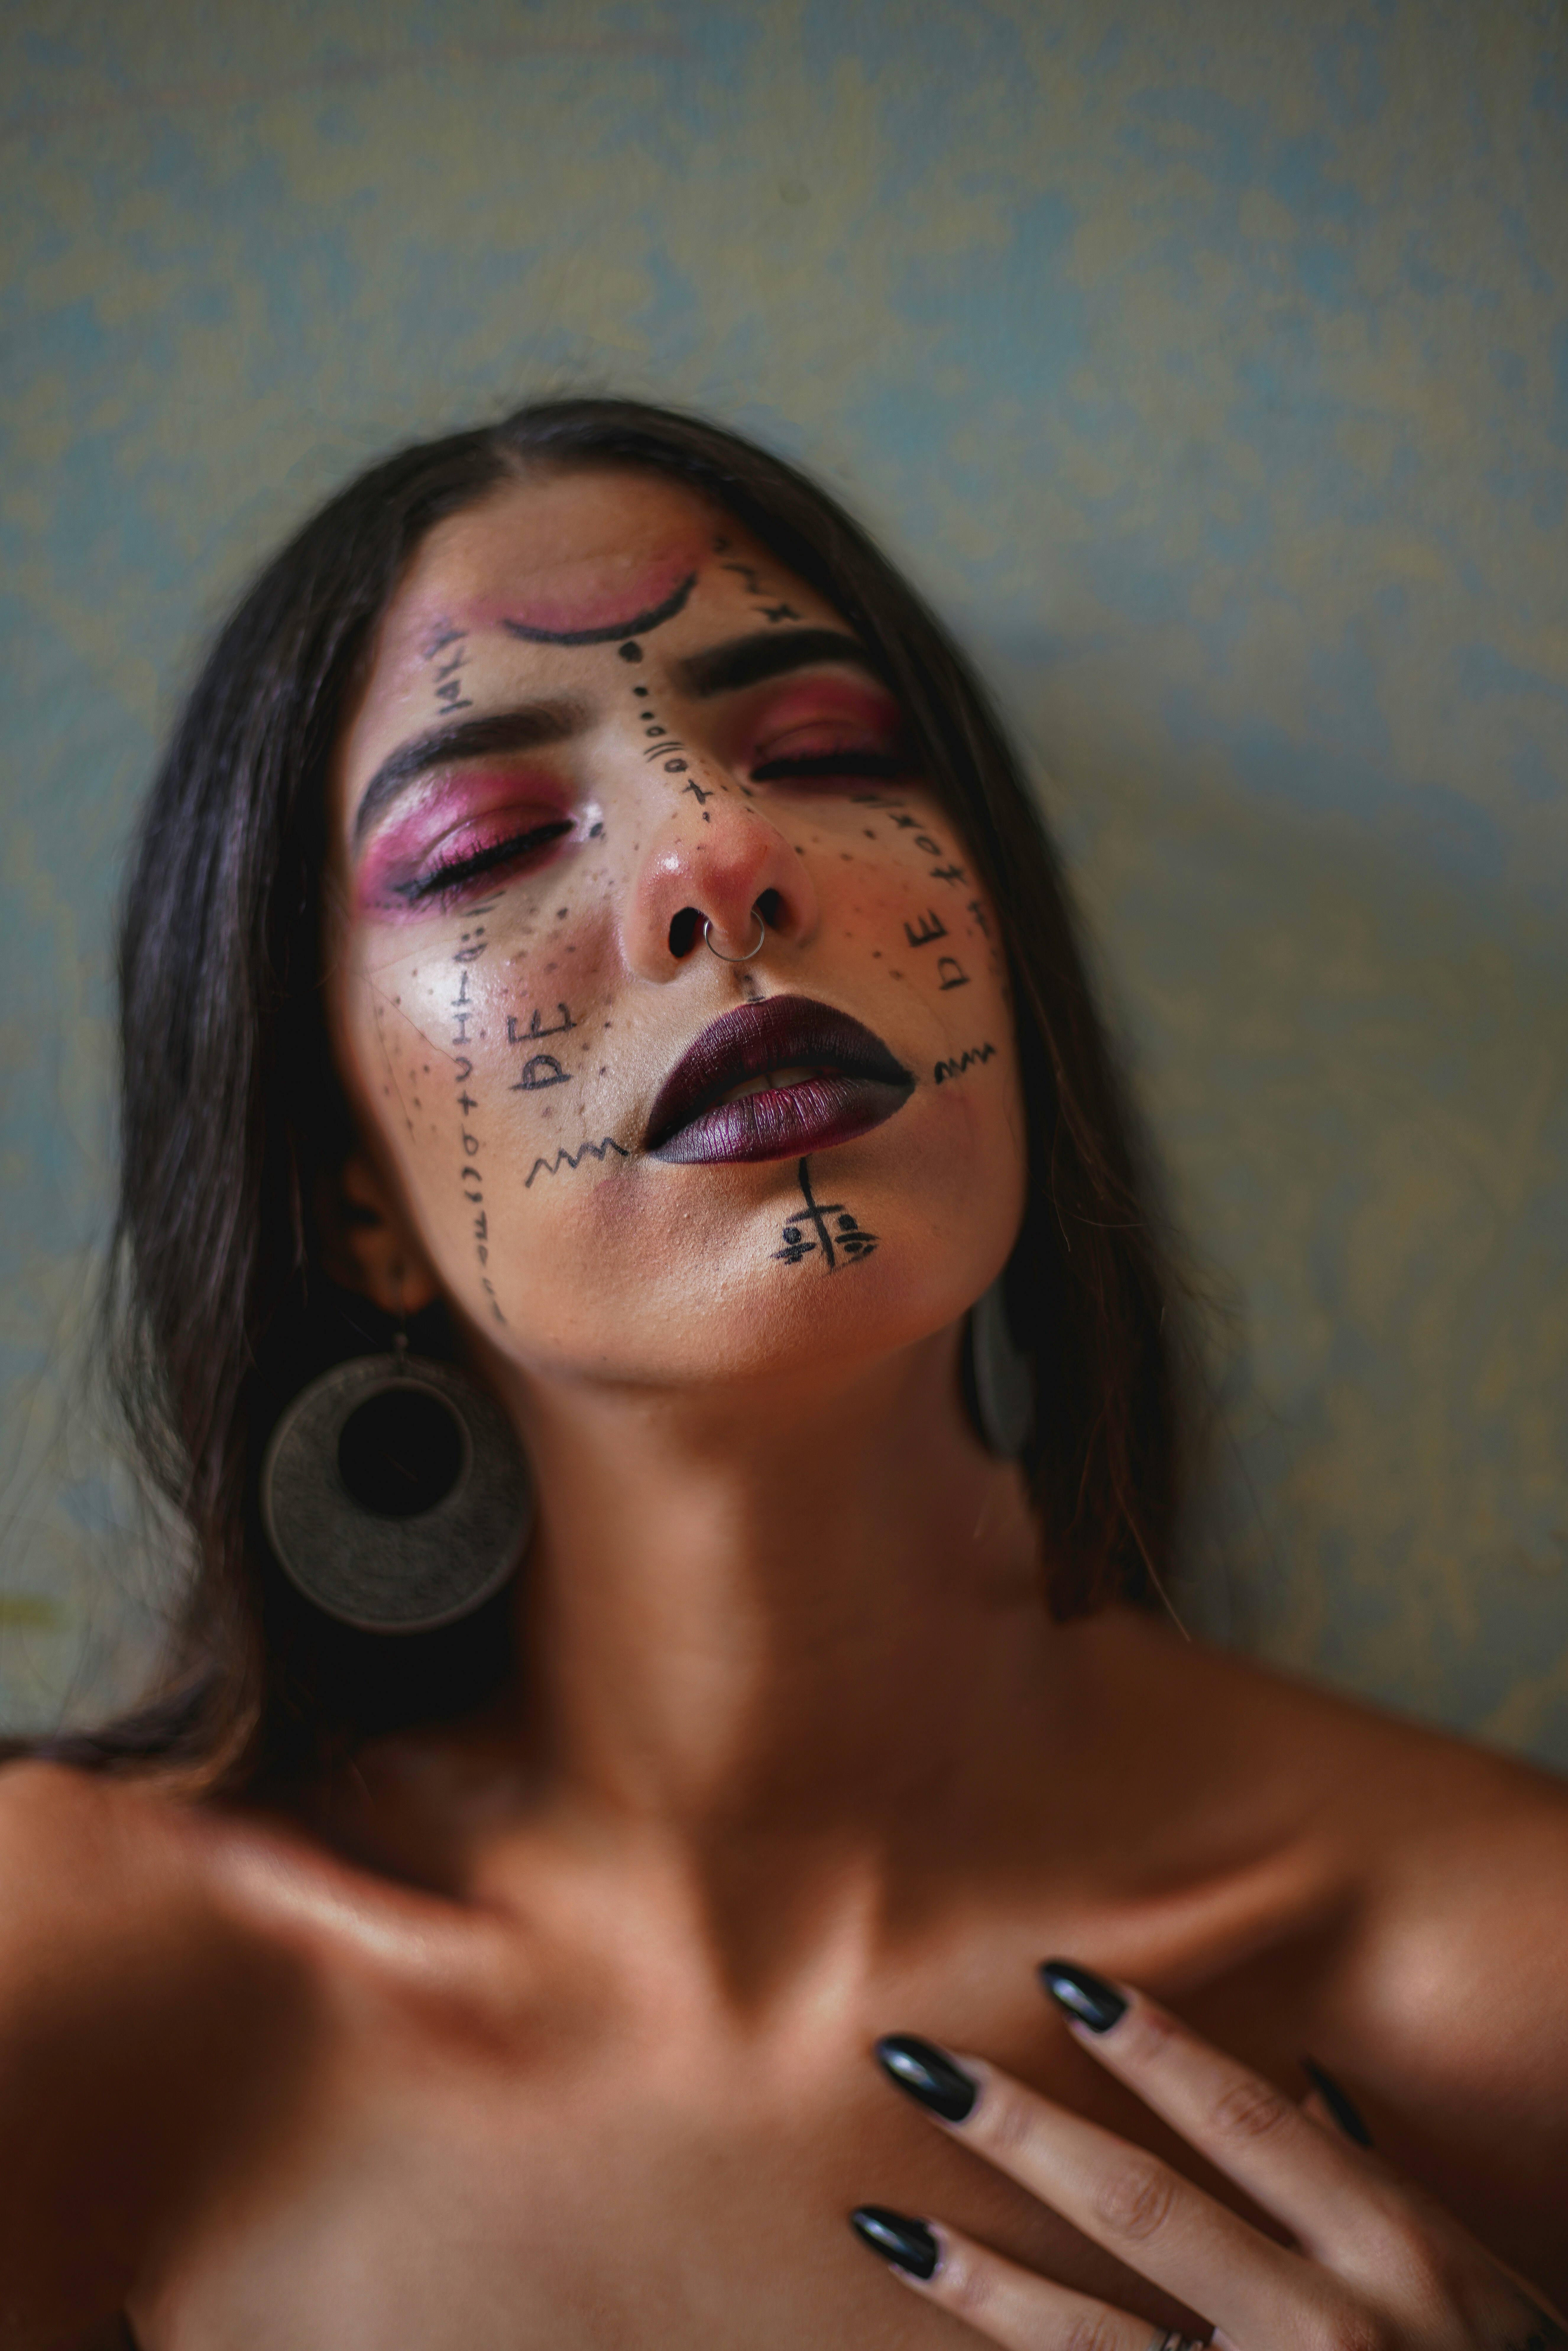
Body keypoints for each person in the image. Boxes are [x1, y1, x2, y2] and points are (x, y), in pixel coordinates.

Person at [1, 398, 1564, 2350]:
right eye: (489, 842)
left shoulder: (1499, 1995)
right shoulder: (78, 1991)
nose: (721, 852)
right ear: (350, 1202)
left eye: (823, 754)